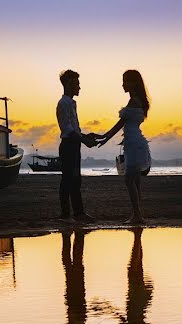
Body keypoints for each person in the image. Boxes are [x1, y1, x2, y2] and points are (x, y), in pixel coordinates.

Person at [96, 70, 152, 225]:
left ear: (133, 83)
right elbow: (121, 125)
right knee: (136, 181)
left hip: (133, 144)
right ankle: (138, 214)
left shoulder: (133, 101)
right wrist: (105, 137)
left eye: (125, 81)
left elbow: (119, 125)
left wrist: (105, 137)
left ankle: (137, 215)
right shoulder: (139, 101)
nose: (122, 84)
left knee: (129, 180)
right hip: (134, 142)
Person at [56, 69, 99, 222]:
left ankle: (77, 213)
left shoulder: (71, 103)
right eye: (77, 84)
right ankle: (66, 214)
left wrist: (87, 137)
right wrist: (85, 140)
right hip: (68, 145)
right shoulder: (63, 104)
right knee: (68, 179)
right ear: (68, 84)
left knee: (75, 179)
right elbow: (68, 129)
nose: (79, 87)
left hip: (73, 144)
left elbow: (75, 129)